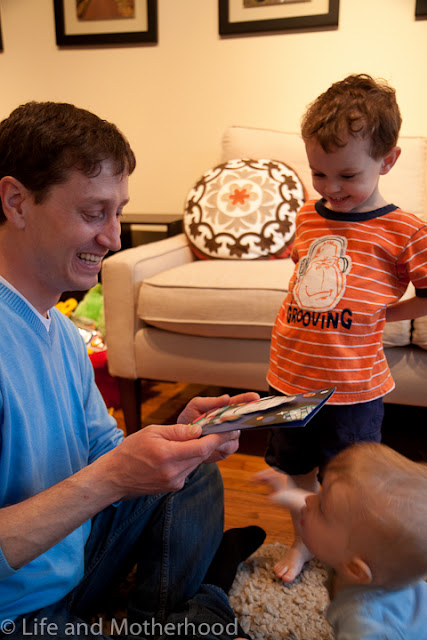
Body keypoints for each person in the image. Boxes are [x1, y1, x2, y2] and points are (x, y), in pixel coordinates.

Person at [0, 101, 264, 639]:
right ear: (16, 202)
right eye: (93, 213)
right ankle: (206, 601)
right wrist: (114, 476)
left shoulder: (60, 331)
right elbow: (107, 476)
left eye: (118, 212)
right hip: (13, 609)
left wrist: (174, 441)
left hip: (73, 560)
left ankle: (172, 616)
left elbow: (104, 453)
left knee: (194, 472)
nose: (114, 238)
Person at [264, 73, 427, 583]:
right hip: (290, 375)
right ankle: (303, 540)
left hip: (353, 388)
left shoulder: (406, 230)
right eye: (319, 173)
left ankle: (351, 552)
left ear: (388, 160)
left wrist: (383, 315)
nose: (331, 189)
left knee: (350, 479)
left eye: (347, 176)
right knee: (295, 465)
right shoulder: (307, 216)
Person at [257, 442, 427, 639]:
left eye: (321, 509)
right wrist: (287, 494)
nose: (309, 501)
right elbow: (335, 515)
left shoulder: (365, 628)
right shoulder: (364, 556)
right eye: (320, 496)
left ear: (355, 569)